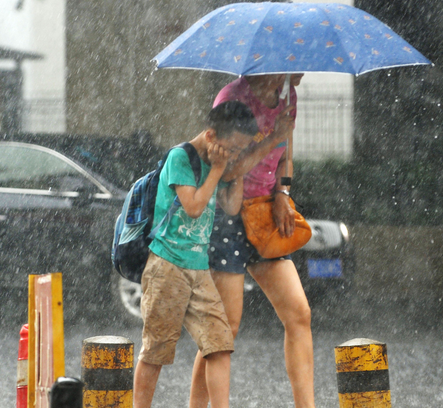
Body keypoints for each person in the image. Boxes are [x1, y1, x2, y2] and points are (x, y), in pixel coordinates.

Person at [190, 74, 316, 408]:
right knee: (224, 330)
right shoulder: (233, 96)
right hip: (227, 216)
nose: (302, 73)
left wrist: (283, 193)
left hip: (263, 215)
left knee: (299, 313)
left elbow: (285, 152)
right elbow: (225, 169)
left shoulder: (287, 97)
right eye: (296, 64)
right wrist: (272, 137)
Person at [133, 101, 259, 408]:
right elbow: (193, 208)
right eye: (232, 147)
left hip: (199, 267)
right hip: (167, 264)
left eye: (241, 150)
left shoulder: (224, 163)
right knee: (155, 351)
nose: (234, 154)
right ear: (212, 134)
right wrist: (217, 169)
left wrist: (236, 171)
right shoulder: (182, 158)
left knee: (219, 344)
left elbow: (230, 207)